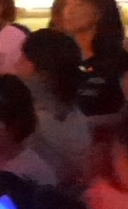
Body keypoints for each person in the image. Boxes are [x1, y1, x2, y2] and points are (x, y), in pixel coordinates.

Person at [14, 26, 96, 187]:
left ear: (43, 73)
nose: (16, 65)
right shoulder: (75, 114)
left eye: (23, 59)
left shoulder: (33, 123)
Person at [57, 0, 128, 116]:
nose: (69, 11)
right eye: (67, 3)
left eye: (79, 4)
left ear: (99, 12)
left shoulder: (117, 60)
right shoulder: (59, 55)